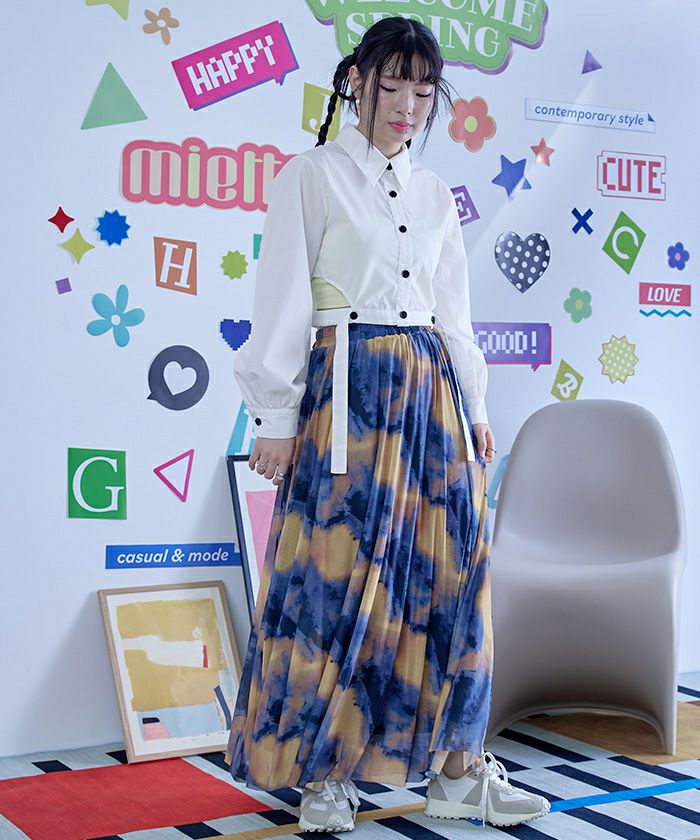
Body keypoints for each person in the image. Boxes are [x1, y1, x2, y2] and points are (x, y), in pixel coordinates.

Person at [224, 16, 551, 834]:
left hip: (434, 399)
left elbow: (454, 316)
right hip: (349, 398)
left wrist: (476, 409)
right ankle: (324, 773)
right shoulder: (311, 176)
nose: (407, 104)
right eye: (392, 84)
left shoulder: (436, 195)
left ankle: (458, 770)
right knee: (332, 580)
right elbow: (282, 301)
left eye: (422, 90)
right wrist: (274, 415)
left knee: (451, 581)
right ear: (356, 83)